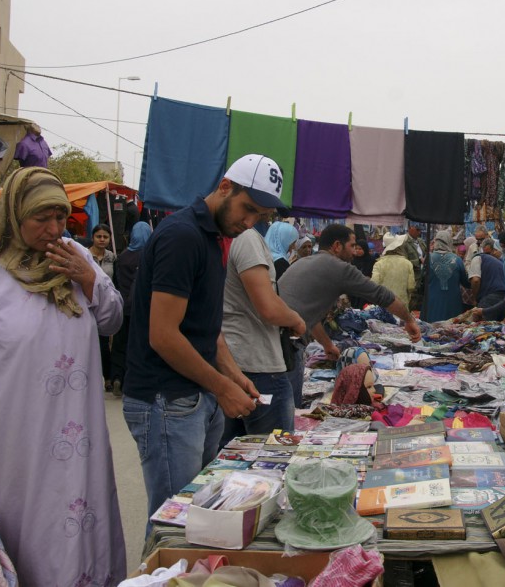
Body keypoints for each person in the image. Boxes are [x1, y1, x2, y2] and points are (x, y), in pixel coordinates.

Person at [0, 167, 126, 584]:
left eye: (61, 217)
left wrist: (89, 278)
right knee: (21, 528)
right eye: (42, 218)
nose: (55, 229)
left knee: (76, 520)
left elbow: (112, 321)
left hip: (78, 437)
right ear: (15, 213)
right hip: (11, 439)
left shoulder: (75, 257)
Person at [124, 155, 276, 522]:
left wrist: (234, 376)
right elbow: (163, 336)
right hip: (167, 398)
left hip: (194, 396)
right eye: (247, 209)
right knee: (176, 520)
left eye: (259, 216)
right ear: (225, 187)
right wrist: (223, 388)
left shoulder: (215, 237)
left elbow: (206, 328)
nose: (250, 222)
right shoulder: (184, 236)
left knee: (202, 516)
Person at [279, 224, 421, 407]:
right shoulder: (339, 268)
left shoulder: (303, 263)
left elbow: (308, 315)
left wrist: (327, 344)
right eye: (352, 246)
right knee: (285, 412)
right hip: (287, 346)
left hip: (275, 342)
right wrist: (409, 320)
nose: (355, 251)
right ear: (337, 246)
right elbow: (381, 295)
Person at [221, 211, 307, 436]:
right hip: (259, 366)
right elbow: (268, 308)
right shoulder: (247, 239)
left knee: (233, 456)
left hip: (232, 361)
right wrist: (296, 320)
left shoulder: (223, 240)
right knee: (272, 460)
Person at [109, 221, 152, 397]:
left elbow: (116, 282)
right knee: (140, 345)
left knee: (120, 344)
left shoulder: (122, 257)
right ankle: (135, 380)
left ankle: (117, 377)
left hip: (123, 307)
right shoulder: (150, 255)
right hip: (142, 309)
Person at [90, 222, 117, 391]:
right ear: (93, 237)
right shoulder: (84, 255)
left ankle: (107, 378)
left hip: (105, 305)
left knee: (104, 343)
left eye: (105, 237)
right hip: (88, 303)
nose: (102, 240)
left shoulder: (112, 258)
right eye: (98, 236)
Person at [424, 230, 470, 322]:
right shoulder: (457, 260)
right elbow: (465, 283)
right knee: (452, 330)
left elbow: (423, 279)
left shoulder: (428, 258)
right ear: (449, 242)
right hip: (452, 303)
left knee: (430, 331)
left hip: (432, 302)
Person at [371, 232, 416, 307]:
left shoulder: (379, 264)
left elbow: (374, 284)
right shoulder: (407, 263)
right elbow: (411, 287)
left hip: (384, 303)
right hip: (402, 304)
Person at [470, 238, 505, 314]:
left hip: (489, 297)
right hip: (504, 298)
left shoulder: (477, 258)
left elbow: (475, 280)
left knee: (483, 325)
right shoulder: (501, 262)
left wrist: (474, 299)